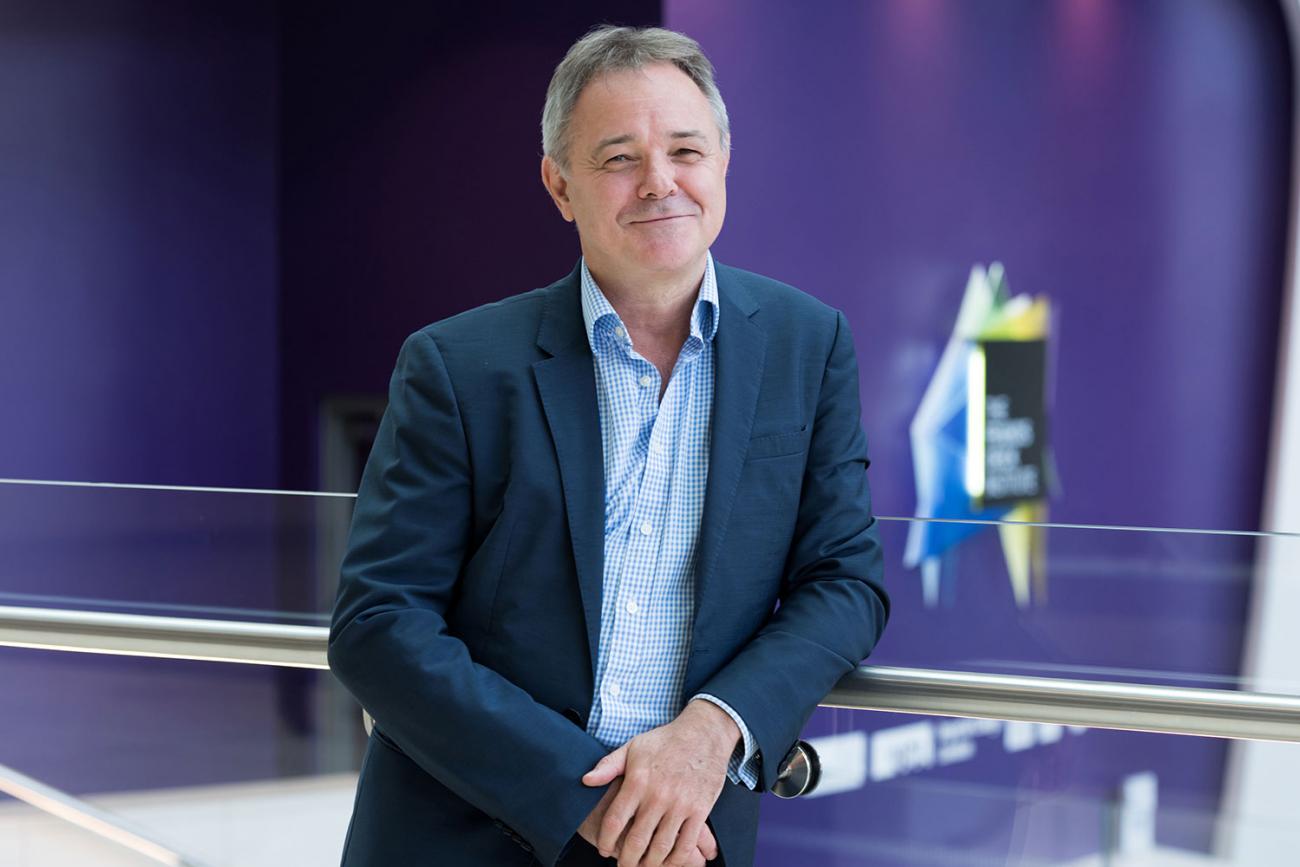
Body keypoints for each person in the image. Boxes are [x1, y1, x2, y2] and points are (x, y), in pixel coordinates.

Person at [328, 24, 888, 867]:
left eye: (686, 150)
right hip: (470, 831)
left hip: (687, 837)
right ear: (560, 185)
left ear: (724, 161)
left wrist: (713, 731)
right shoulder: (459, 365)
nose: (660, 183)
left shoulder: (809, 347)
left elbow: (845, 582)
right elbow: (378, 623)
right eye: (618, 158)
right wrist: (577, 789)